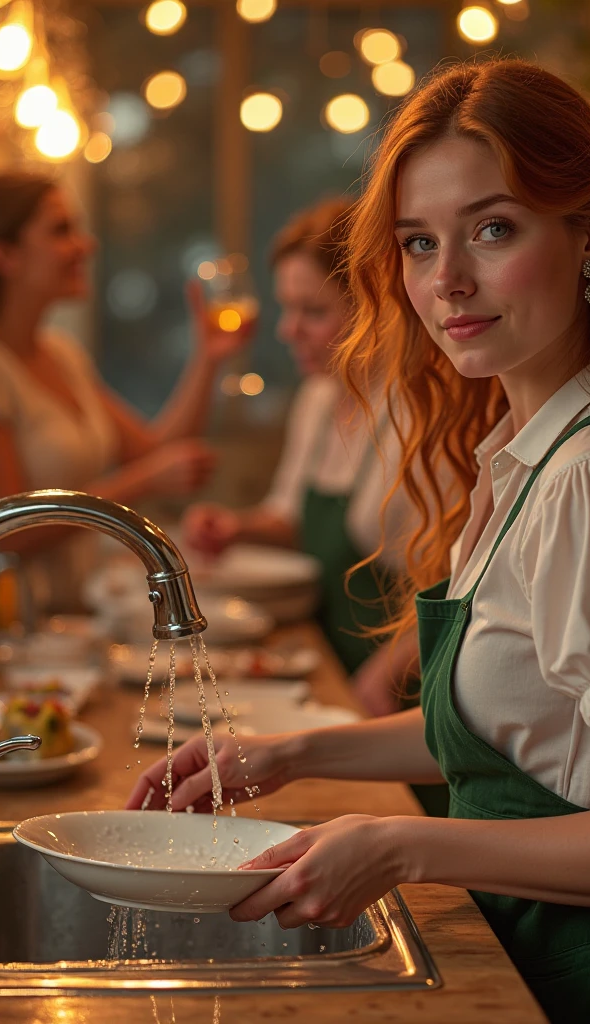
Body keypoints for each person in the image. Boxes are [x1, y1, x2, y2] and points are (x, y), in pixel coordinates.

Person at [131, 60, 590, 1021]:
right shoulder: (531, 452)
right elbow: (522, 732)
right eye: (419, 243)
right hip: (562, 951)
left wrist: (405, 844)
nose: (446, 279)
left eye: (492, 229)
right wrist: (293, 754)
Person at [0, 172, 248, 609]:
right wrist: (141, 483)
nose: (86, 246)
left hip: (79, 619)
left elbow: (157, 451)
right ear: (4, 255)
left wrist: (209, 358)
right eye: (61, 231)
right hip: (15, 629)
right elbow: (8, 534)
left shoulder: (62, 356)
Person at [182, 199, 426, 715]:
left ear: (377, 304)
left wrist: (386, 675)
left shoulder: (415, 412)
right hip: (325, 668)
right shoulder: (318, 399)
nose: (287, 330)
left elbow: (461, 589)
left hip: (397, 697)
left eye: (312, 312)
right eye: (287, 308)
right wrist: (236, 528)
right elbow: (291, 519)